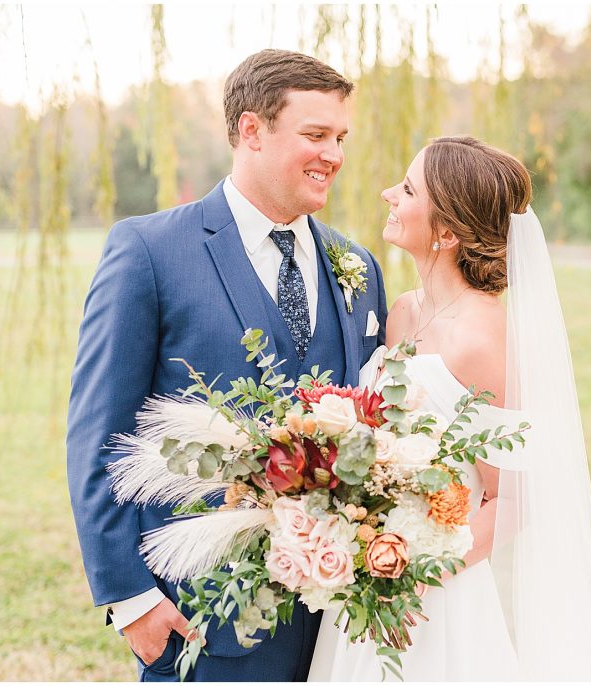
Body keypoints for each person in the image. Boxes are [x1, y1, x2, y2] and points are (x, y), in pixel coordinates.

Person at [67, 49, 388, 682]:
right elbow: (99, 434)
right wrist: (130, 598)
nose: (335, 155)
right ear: (251, 130)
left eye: (340, 138)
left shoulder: (359, 267)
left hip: (341, 628)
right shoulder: (149, 252)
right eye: (316, 135)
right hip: (204, 621)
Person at [307, 136, 591, 681]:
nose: (388, 194)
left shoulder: (483, 340)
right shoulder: (402, 313)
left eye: (406, 189)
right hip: (365, 586)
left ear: (448, 233)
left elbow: (514, 499)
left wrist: (412, 574)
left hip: (436, 596)